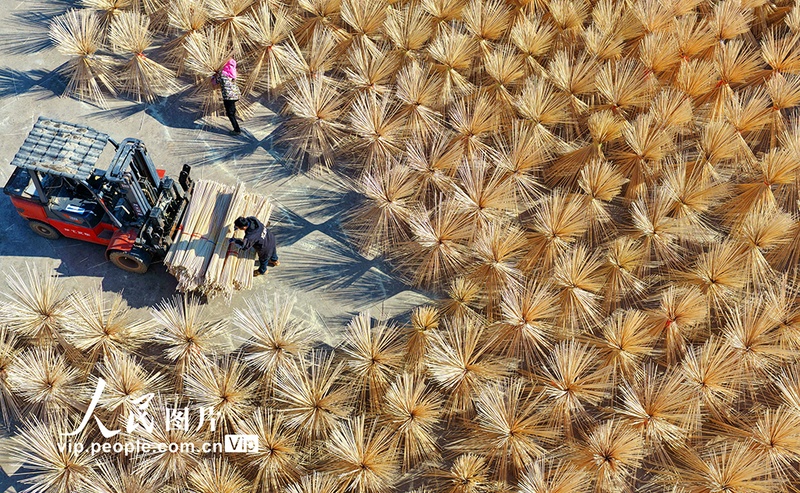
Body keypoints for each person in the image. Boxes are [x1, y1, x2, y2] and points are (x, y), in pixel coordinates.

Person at [212, 58, 242, 135]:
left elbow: (215, 82)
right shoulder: (233, 74)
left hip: (228, 97)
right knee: (232, 110)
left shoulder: (222, 74)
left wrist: (213, 76)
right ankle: (233, 113)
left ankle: (237, 130)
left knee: (230, 114)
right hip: (236, 95)